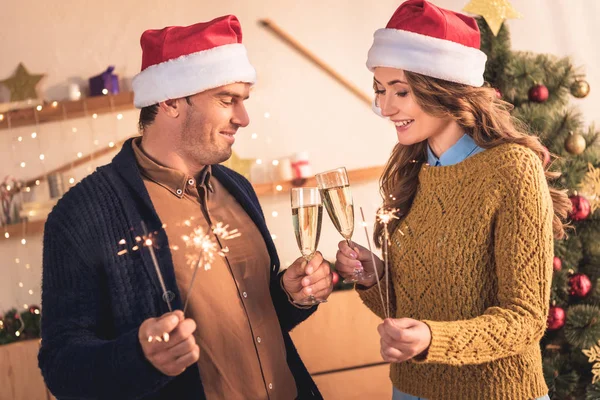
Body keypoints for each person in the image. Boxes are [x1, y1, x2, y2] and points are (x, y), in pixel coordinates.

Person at [38, 15, 333, 400]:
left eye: (243, 101)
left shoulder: (236, 187)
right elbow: (61, 367)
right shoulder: (83, 214)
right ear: (171, 100)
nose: (243, 118)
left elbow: (250, 324)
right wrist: (140, 358)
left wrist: (289, 295)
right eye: (227, 100)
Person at [334, 1, 570, 399]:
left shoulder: (512, 169)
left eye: (401, 91)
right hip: (410, 390)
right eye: (380, 91)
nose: (386, 108)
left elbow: (526, 319)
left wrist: (431, 338)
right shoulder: (411, 167)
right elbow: (419, 305)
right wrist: (375, 278)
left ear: (441, 87)